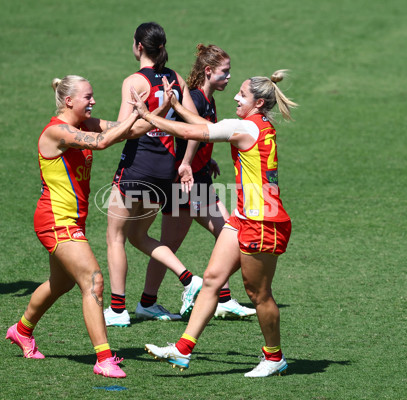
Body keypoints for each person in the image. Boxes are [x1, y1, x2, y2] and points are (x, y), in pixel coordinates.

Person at [136, 70, 298, 377]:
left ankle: (274, 357)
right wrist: (177, 105)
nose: (236, 98)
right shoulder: (253, 124)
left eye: (242, 95)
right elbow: (206, 127)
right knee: (211, 280)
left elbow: (191, 134)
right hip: (243, 218)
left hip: (262, 222)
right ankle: (183, 351)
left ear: (258, 102)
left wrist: (149, 116)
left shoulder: (244, 127)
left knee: (258, 294)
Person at [5, 75, 153, 378]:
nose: (94, 101)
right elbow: (103, 142)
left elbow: (131, 131)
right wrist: (138, 115)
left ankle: (21, 331)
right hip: (56, 220)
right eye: (88, 97)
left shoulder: (86, 124)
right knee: (94, 281)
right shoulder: (57, 132)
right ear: (69, 100)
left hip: (71, 220)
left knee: (61, 284)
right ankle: (104, 358)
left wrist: (162, 112)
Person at [140, 44, 256, 320]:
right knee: (226, 233)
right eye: (224, 73)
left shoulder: (206, 98)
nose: (229, 78)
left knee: (181, 242)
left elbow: (206, 135)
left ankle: (149, 302)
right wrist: (186, 163)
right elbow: (192, 134)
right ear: (208, 71)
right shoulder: (197, 98)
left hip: (196, 178)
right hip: (186, 181)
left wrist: (205, 159)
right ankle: (216, 299)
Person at [104, 22, 203, 327]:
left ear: (138, 46)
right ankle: (188, 279)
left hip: (137, 166)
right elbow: (196, 126)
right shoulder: (175, 80)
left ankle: (118, 310)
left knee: (115, 237)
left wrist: (151, 114)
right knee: (138, 235)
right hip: (165, 170)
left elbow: (126, 130)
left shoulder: (134, 81)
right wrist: (186, 161)